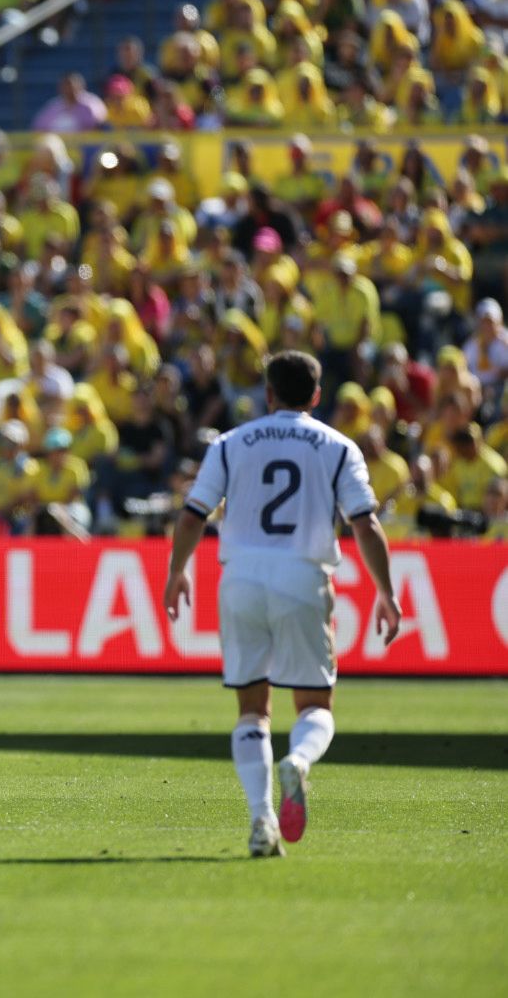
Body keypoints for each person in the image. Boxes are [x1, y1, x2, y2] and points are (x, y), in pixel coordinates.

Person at [163, 352, 401, 858]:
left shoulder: (230, 443)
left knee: (252, 709)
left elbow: (192, 515)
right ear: (317, 396)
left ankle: (260, 819)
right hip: (302, 576)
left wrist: (176, 571)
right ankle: (300, 760)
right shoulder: (339, 447)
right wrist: (386, 592)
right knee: (315, 705)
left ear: (267, 394)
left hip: (242, 578)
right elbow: (366, 523)